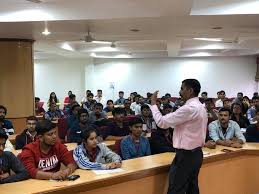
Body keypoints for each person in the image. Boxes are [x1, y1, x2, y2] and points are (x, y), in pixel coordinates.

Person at [150, 79, 207, 194]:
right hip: (196, 154)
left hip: (185, 156)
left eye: (182, 88)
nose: (179, 92)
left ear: (190, 91)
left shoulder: (189, 108)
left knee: (176, 190)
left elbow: (161, 122)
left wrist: (153, 105)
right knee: (192, 188)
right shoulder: (201, 107)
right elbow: (185, 127)